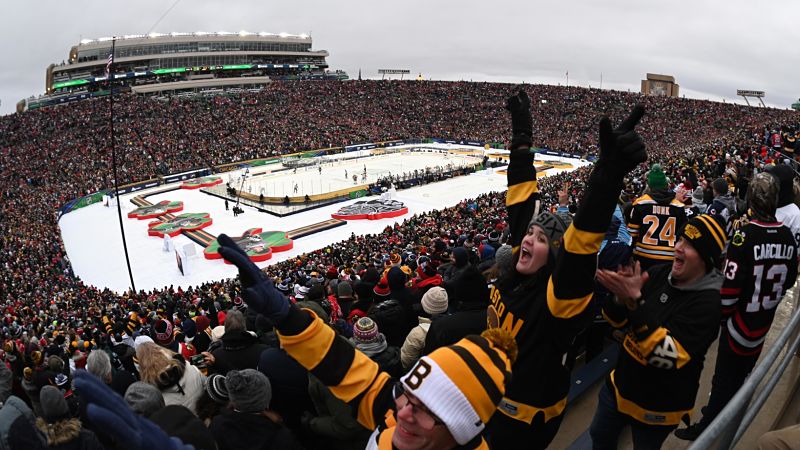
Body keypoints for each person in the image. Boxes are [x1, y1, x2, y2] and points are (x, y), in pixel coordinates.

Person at [215, 233, 517, 449]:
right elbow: (346, 368)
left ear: (461, 428)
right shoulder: (398, 410)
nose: (404, 413)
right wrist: (288, 317)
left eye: (428, 410)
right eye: (408, 393)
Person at [486, 91, 647, 449]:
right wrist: (522, 134)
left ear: (556, 255)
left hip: (524, 420)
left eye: (541, 237)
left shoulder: (560, 296)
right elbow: (520, 197)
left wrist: (607, 178)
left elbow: (581, 244)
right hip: (491, 399)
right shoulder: (520, 267)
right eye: (529, 233)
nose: (528, 238)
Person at [675, 173, 798, 440]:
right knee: (743, 377)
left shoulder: (745, 236)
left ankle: (708, 428)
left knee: (722, 380)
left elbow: (730, 290)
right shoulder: (788, 237)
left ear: (752, 200)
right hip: (762, 322)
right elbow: (788, 280)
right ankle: (725, 411)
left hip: (738, 325)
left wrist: (723, 319)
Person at [591, 214, 727, 449]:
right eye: (681, 239)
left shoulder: (709, 305)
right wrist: (619, 299)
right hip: (618, 389)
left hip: (659, 408)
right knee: (599, 437)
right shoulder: (658, 274)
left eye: (690, 245)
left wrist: (635, 303)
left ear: (707, 259)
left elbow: (665, 356)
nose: (679, 247)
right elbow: (613, 320)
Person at [627, 163, 687, 269]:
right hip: (669, 260)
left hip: (643, 258)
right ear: (666, 185)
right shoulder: (678, 206)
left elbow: (631, 235)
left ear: (649, 186)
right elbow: (682, 235)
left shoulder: (640, 203)